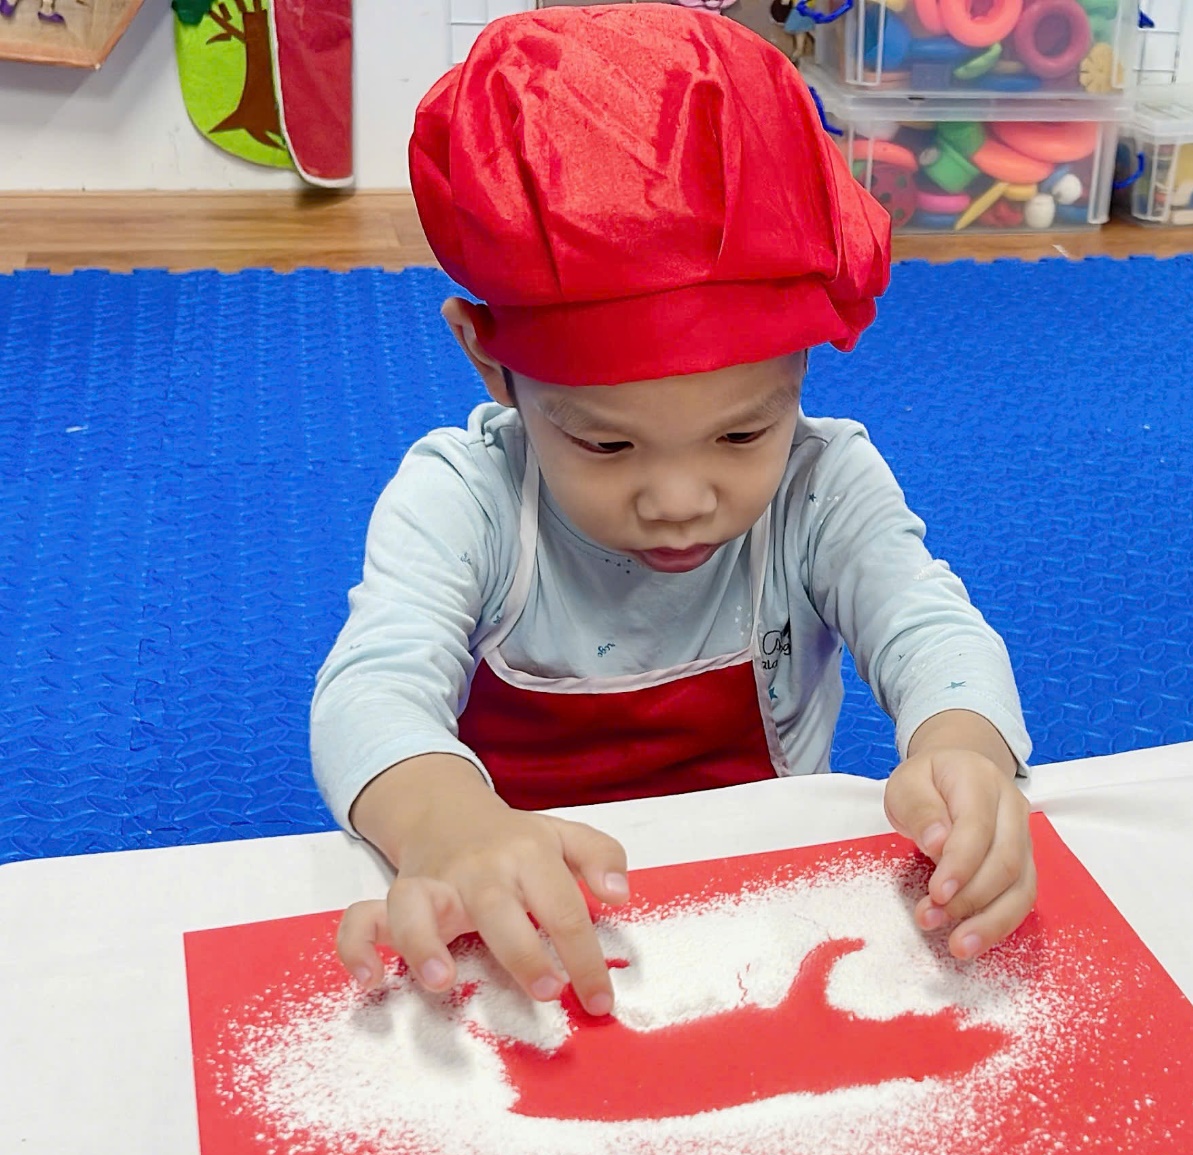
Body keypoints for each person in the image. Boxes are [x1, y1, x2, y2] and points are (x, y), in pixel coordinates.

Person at [312, 4, 1035, 1019]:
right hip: (531, 926)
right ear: (492, 360)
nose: (681, 499)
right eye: (606, 444)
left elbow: (930, 626)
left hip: (754, 924)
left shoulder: (823, 488)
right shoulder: (461, 499)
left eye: (744, 435)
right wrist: (450, 830)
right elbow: (369, 691)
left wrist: (963, 752)